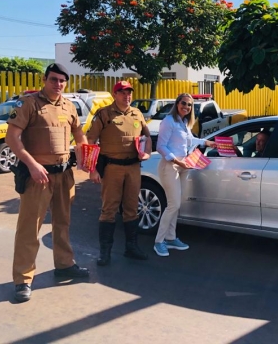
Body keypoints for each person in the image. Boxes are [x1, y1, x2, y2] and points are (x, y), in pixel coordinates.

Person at [5, 63, 90, 303]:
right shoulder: (29, 104)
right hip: (37, 177)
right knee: (29, 229)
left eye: (62, 80)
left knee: (62, 223)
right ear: (45, 79)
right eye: (53, 79)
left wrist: (85, 157)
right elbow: (11, 138)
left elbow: (79, 134)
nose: (58, 84)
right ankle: (23, 279)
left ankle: (64, 264)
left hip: (64, 175)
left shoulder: (69, 105)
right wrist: (32, 165)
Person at [86, 80, 153, 266]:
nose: (127, 96)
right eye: (122, 92)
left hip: (133, 168)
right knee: (109, 210)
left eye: (129, 92)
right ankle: (105, 252)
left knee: (132, 209)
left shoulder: (137, 113)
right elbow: (90, 140)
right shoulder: (104, 114)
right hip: (112, 168)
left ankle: (131, 247)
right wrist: (92, 169)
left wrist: (147, 152)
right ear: (115, 94)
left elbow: (147, 136)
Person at [153, 93, 216, 257]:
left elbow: (190, 140)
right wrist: (176, 161)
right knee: (173, 205)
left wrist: (206, 142)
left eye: (189, 105)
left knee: (176, 204)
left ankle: (171, 237)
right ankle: (159, 241)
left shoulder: (184, 122)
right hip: (171, 165)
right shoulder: (168, 121)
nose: (186, 107)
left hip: (184, 165)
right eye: (183, 103)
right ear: (177, 103)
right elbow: (161, 146)